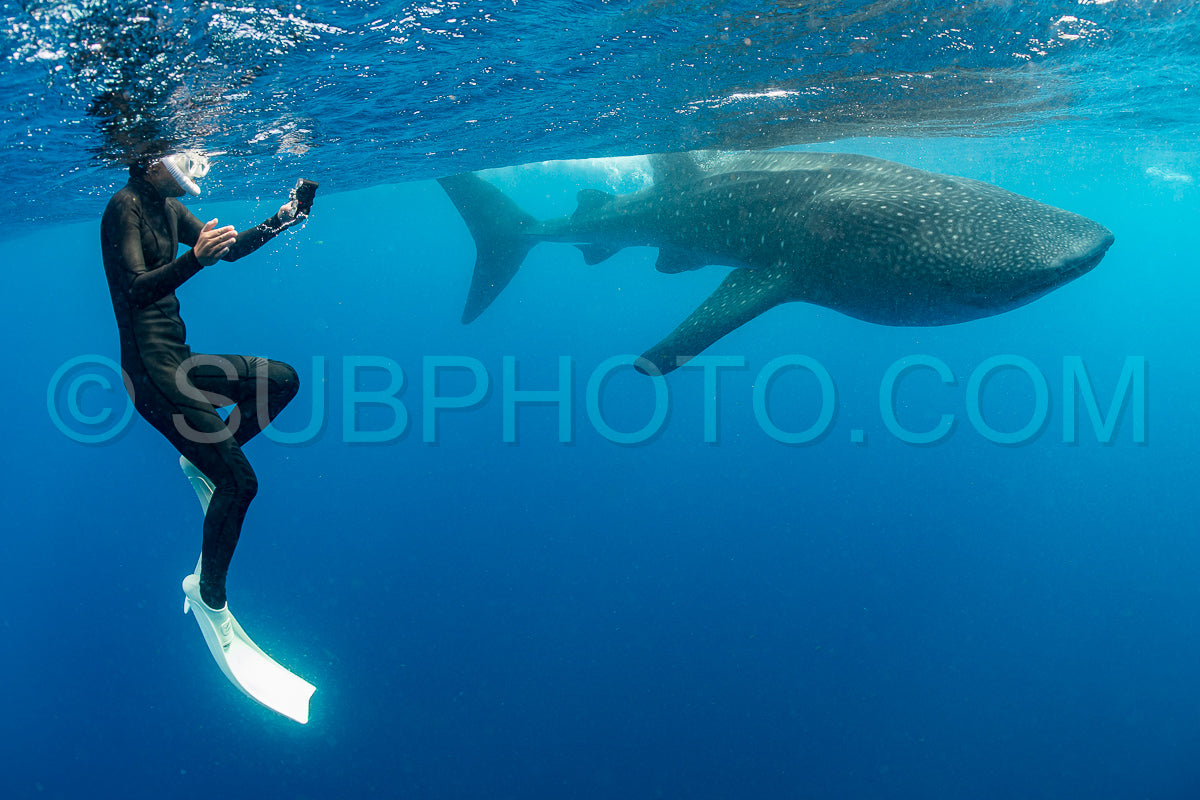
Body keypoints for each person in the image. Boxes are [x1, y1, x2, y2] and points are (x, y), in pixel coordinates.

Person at [100, 152, 311, 613]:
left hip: (180, 361)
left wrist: (285, 218)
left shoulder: (167, 208)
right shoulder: (124, 207)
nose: (197, 167)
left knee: (281, 381)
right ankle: (207, 592)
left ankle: (205, 457)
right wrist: (195, 260)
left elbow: (228, 250)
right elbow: (135, 288)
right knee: (239, 483)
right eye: (183, 157)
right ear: (152, 164)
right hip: (150, 375)